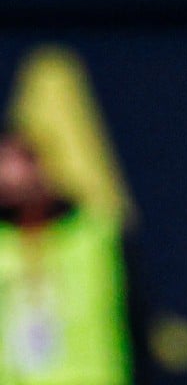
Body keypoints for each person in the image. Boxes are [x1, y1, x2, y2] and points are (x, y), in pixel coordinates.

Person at [0, 127, 146, 384]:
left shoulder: (97, 233)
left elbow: (135, 316)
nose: (12, 176)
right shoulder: (6, 242)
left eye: (20, 162)